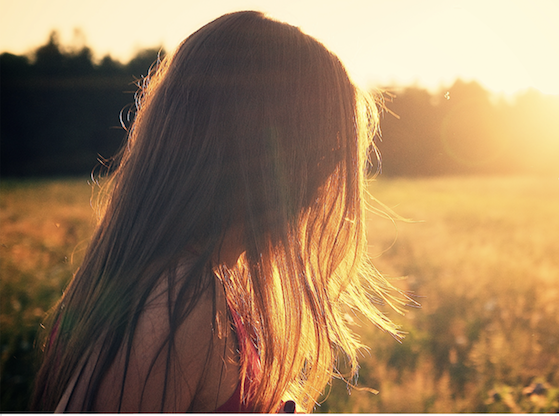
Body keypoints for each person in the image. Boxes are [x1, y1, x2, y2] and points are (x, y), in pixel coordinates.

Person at [31, 11, 403, 413]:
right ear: (270, 158)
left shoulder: (177, 286)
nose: (323, 189)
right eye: (326, 156)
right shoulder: (179, 303)